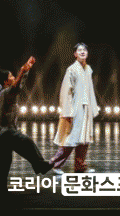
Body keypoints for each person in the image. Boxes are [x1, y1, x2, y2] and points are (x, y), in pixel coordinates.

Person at [0, 56, 53, 191]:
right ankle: (40, 165)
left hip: (1, 134)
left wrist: (26, 70)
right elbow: (16, 86)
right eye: (11, 76)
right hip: (4, 132)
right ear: (5, 81)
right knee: (27, 141)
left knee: (5, 160)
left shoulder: (5, 93)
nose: (13, 77)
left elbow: (18, 85)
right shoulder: (6, 92)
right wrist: (22, 71)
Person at [49, 43, 99, 174]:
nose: (82, 52)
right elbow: (66, 91)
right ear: (75, 54)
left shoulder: (88, 69)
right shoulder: (71, 69)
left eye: (84, 50)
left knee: (84, 139)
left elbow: (90, 90)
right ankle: (55, 164)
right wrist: (67, 111)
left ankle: (80, 166)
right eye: (79, 50)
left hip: (86, 108)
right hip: (76, 108)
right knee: (71, 138)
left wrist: (93, 108)